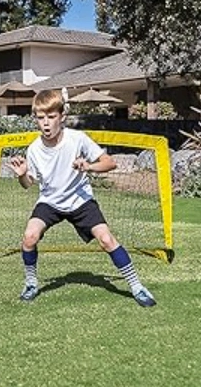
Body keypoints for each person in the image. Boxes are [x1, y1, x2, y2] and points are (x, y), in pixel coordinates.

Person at [8, 88, 157, 307]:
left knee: (106, 240)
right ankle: (31, 283)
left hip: (80, 200)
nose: (46, 123)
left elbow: (110, 163)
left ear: (62, 117)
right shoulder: (34, 150)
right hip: (50, 201)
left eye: (51, 117)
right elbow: (28, 184)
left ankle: (137, 286)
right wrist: (22, 175)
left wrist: (88, 166)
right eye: (40, 118)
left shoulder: (77, 139)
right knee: (29, 237)